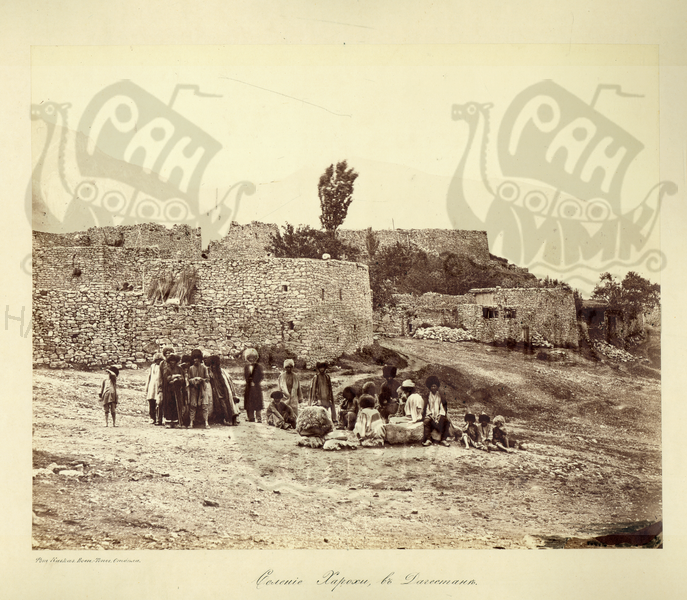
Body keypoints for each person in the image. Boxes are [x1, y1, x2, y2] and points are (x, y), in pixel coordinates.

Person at [206, 355, 239, 425]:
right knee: (219, 406)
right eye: (211, 365)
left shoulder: (222, 372)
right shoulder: (210, 371)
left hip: (223, 391)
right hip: (216, 391)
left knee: (226, 405)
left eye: (214, 365)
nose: (213, 367)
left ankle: (230, 419)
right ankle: (222, 419)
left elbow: (227, 383)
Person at [422, 375, 450, 447]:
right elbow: (427, 408)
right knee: (426, 421)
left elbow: (442, 408)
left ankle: (443, 439)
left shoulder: (441, 396)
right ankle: (428, 439)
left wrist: (439, 416)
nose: (433, 388)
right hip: (430, 415)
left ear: (437, 387)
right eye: (432, 386)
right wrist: (431, 416)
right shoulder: (427, 396)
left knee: (446, 421)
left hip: (439, 415)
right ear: (429, 387)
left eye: (435, 386)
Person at [187, 349, 210, 429]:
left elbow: (207, 379)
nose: (195, 360)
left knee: (204, 405)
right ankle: (191, 422)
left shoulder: (204, 368)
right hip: (194, 389)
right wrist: (194, 380)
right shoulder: (190, 368)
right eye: (194, 358)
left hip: (203, 389)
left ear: (200, 359)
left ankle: (206, 422)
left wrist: (201, 380)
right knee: (193, 405)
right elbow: (188, 379)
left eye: (197, 358)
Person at [161, 354, 185, 428]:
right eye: (171, 362)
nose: (172, 363)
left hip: (177, 389)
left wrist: (179, 379)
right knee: (169, 404)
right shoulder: (167, 369)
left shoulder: (179, 369)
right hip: (168, 390)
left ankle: (176, 422)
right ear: (169, 362)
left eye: (174, 362)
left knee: (176, 405)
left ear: (176, 362)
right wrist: (172, 377)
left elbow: (182, 377)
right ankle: (168, 422)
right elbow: (166, 378)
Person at [243, 348, 264, 423]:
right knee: (249, 402)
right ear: (247, 358)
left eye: (253, 358)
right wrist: (249, 382)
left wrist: (255, 382)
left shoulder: (259, 367)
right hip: (249, 387)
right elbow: (245, 376)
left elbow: (261, 376)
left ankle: (259, 418)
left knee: (258, 402)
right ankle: (251, 417)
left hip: (256, 387)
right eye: (250, 358)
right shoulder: (246, 367)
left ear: (255, 358)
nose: (251, 359)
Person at [144, 353, 163, 425]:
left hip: (158, 386)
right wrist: (146, 387)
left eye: (160, 360)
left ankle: (159, 419)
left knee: (159, 403)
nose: (158, 361)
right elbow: (149, 377)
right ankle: (152, 418)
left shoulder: (162, 367)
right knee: (151, 402)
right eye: (157, 360)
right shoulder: (152, 366)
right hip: (152, 386)